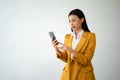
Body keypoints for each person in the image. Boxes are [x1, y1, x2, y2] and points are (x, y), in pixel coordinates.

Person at [51, 9, 96, 80]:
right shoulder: (68, 37)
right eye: (69, 21)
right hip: (67, 74)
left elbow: (86, 60)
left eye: (74, 20)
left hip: (83, 76)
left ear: (82, 20)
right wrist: (56, 48)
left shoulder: (91, 36)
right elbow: (66, 59)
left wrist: (70, 50)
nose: (71, 24)